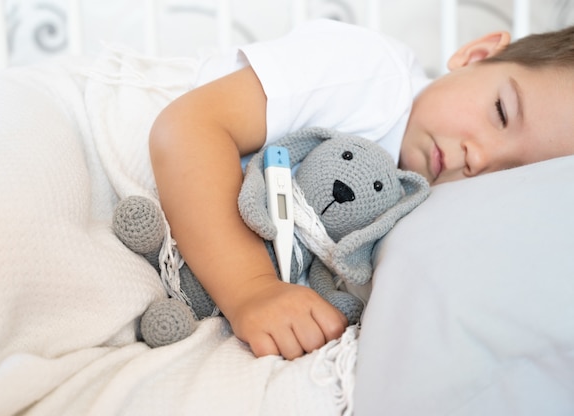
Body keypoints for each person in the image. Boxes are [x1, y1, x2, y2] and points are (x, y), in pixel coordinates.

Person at [147, 18, 574, 360]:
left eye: (514, 172)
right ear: (478, 55)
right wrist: (252, 289)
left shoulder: (421, 205)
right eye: (501, 112)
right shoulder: (376, 76)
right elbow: (187, 127)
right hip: (118, 140)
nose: (480, 158)